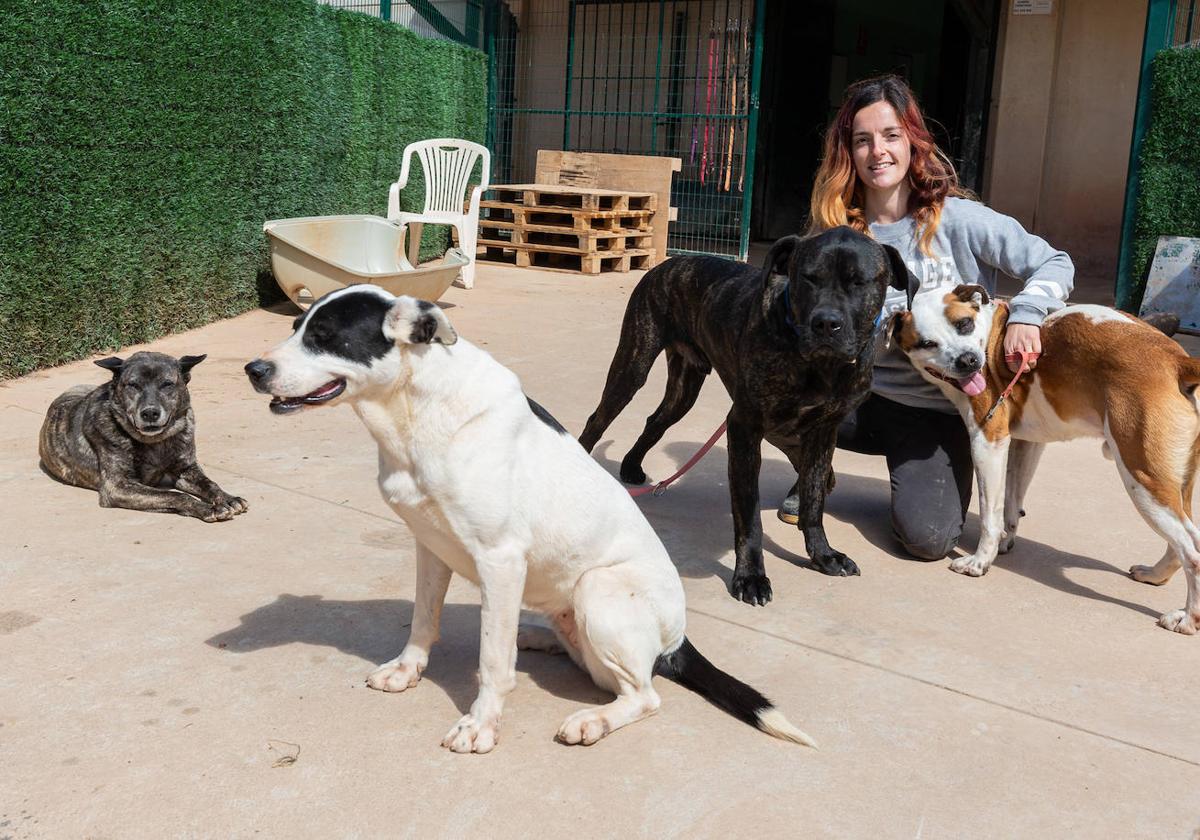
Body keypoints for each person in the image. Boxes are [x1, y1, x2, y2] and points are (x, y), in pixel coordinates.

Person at [777, 74, 1074, 561]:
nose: (878, 152)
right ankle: (815, 466)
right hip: (859, 396)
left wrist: (1027, 311)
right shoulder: (835, 234)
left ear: (913, 143)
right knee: (766, 396)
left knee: (929, 540)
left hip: (942, 411)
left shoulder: (958, 219)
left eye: (891, 136)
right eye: (862, 140)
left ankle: (919, 469)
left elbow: (1054, 261)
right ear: (847, 153)